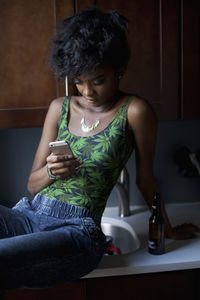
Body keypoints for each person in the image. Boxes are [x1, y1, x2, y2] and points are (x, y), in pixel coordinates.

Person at [0, 7, 199, 292]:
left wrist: (167, 229)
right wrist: (51, 171)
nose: (87, 92)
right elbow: (32, 185)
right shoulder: (60, 107)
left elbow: (145, 179)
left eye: (98, 81)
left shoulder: (135, 111)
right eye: (78, 82)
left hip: (78, 231)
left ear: (119, 70)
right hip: (29, 216)